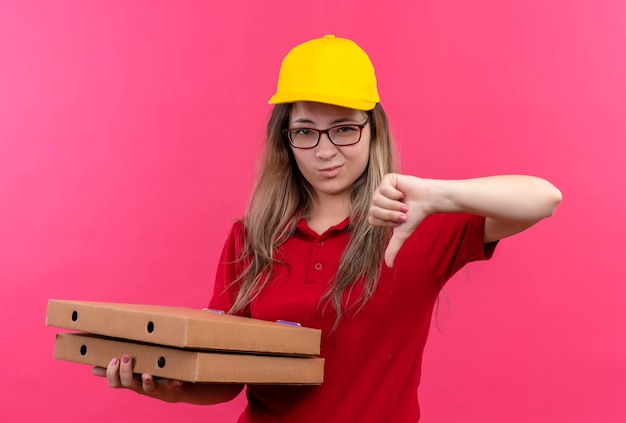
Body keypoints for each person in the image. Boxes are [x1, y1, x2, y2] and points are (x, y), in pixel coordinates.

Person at [93, 34, 562, 422]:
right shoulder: (251, 236)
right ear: (286, 138)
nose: (324, 151)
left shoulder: (412, 222)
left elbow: (544, 197)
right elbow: (226, 378)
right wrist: (171, 389)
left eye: (343, 128)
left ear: (372, 128)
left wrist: (438, 195)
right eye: (305, 131)